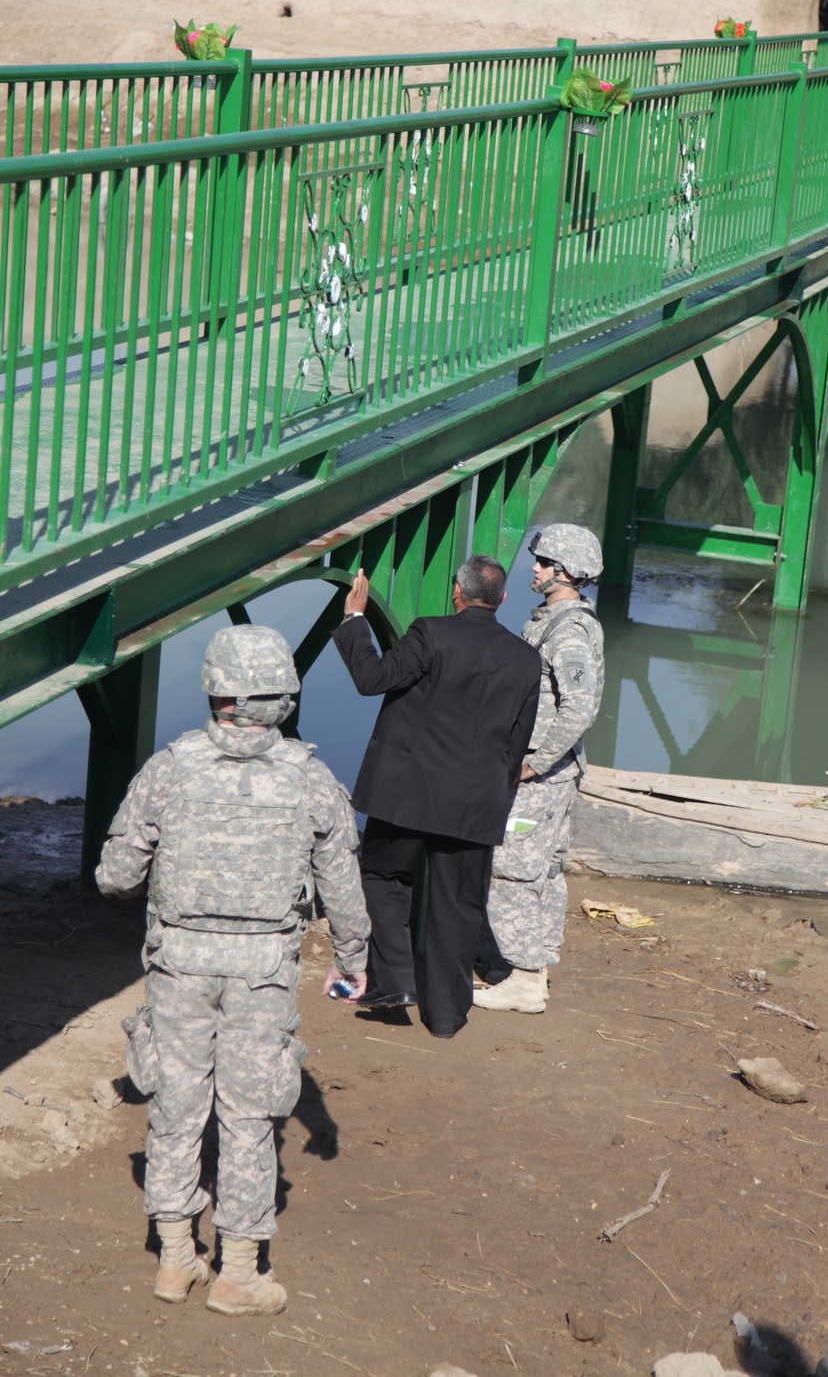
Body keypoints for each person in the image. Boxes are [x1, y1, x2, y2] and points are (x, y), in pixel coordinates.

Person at [96, 626, 369, 1316]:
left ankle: (174, 1259)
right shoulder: (310, 777)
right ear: (283, 696)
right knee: (248, 1119)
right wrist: (354, 959)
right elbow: (342, 887)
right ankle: (238, 1273)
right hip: (261, 972)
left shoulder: (169, 768)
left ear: (214, 690)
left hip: (178, 964)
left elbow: (115, 876)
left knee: (175, 1108)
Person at [332, 555, 541, 1039]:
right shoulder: (526, 658)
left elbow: (373, 680)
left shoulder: (431, 632)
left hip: (407, 796)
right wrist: (496, 795)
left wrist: (355, 619)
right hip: (475, 804)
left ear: (456, 592)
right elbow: (517, 740)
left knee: (382, 876)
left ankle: (396, 981)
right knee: (459, 906)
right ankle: (445, 1018)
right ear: (502, 599)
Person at [474, 525, 604, 1015]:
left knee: (512, 872)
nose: (535, 567)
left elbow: (578, 708)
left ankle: (525, 980)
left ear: (565, 572)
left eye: (544, 562)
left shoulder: (568, 631)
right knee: (545, 870)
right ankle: (537, 967)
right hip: (555, 774)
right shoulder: (556, 619)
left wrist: (534, 763)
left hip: (543, 778)